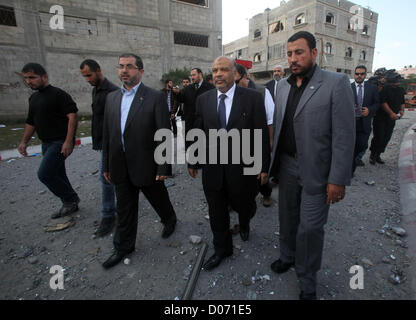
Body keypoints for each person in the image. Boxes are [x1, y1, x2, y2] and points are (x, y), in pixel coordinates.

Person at [268, 31, 355, 300]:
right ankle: (287, 256)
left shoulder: (336, 83)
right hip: (287, 166)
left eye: (299, 52)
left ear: (314, 53)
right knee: (287, 218)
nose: (293, 59)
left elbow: (344, 135)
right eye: (290, 53)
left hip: (319, 172)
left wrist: (337, 179)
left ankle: (307, 280)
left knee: (310, 229)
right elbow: (280, 127)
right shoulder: (281, 86)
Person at [188, 56, 270, 271]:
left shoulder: (252, 98)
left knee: (245, 204)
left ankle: (244, 223)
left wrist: (262, 166)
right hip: (213, 168)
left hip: (243, 167)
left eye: (223, 69)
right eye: (215, 70)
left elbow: (260, 133)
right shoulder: (203, 99)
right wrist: (193, 159)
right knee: (216, 211)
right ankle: (222, 249)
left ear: (234, 73)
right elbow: (198, 131)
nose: (218, 74)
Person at [101, 53, 177, 269]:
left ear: (140, 71)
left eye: (130, 67)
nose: (124, 70)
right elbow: (108, 134)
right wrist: (106, 164)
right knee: (124, 208)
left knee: (158, 198)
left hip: (147, 164)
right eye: (121, 66)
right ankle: (123, 247)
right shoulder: (112, 98)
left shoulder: (154, 97)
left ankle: (169, 219)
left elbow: (164, 132)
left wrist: (164, 165)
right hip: (120, 165)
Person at [18, 63, 80, 219]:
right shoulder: (33, 98)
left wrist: (68, 141)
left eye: (32, 77)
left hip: (59, 142)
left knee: (44, 174)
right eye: (26, 78)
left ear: (44, 77)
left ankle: (70, 199)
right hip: (46, 143)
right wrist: (24, 142)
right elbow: (31, 121)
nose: (28, 81)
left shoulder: (59, 95)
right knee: (58, 174)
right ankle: (71, 203)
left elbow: (72, 116)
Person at [80, 59, 119, 237]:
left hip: (110, 143)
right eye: (84, 76)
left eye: (89, 75)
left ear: (98, 71)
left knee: (106, 178)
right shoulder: (96, 89)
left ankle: (108, 215)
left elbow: (115, 122)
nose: (87, 79)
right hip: (103, 142)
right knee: (110, 177)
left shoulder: (111, 92)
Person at [234, 62, 274, 207]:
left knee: (259, 173)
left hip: (257, 139)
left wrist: (270, 141)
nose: (234, 85)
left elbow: (270, 119)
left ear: (245, 77)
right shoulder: (231, 92)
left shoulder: (262, 92)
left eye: (236, 81)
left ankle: (266, 193)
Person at [369, 74, 405, 164]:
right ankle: (373, 155)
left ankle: (378, 155)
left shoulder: (400, 90)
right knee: (379, 136)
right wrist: (391, 113)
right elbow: (383, 103)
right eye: (397, 80)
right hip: (381, 117)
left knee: (387, 137)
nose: (399, 82)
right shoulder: (385, 89)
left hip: (392, 119)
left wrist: (401, 110)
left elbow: (402, 101)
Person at [173, 68, 214, 143]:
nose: (192, 77)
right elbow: (181, 99)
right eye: (191, 75)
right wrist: (177, 93)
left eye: (194, 75)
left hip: (204, 124)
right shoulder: (188, 88)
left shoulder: (210, 87)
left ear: (200, 74)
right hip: (190, 123)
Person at [351, 65, 380, 172]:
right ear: (354, 74)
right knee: (349, 147)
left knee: (362, 145)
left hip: (364, 123)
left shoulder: (372, 88)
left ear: (365, 75)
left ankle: (354, 160)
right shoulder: (347, 87)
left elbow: (377, 103)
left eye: (361, 74)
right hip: (351, 123)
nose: (359, 76)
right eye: (357, 74)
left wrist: (369, 110)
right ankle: (350, 170)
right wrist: (349, 106)